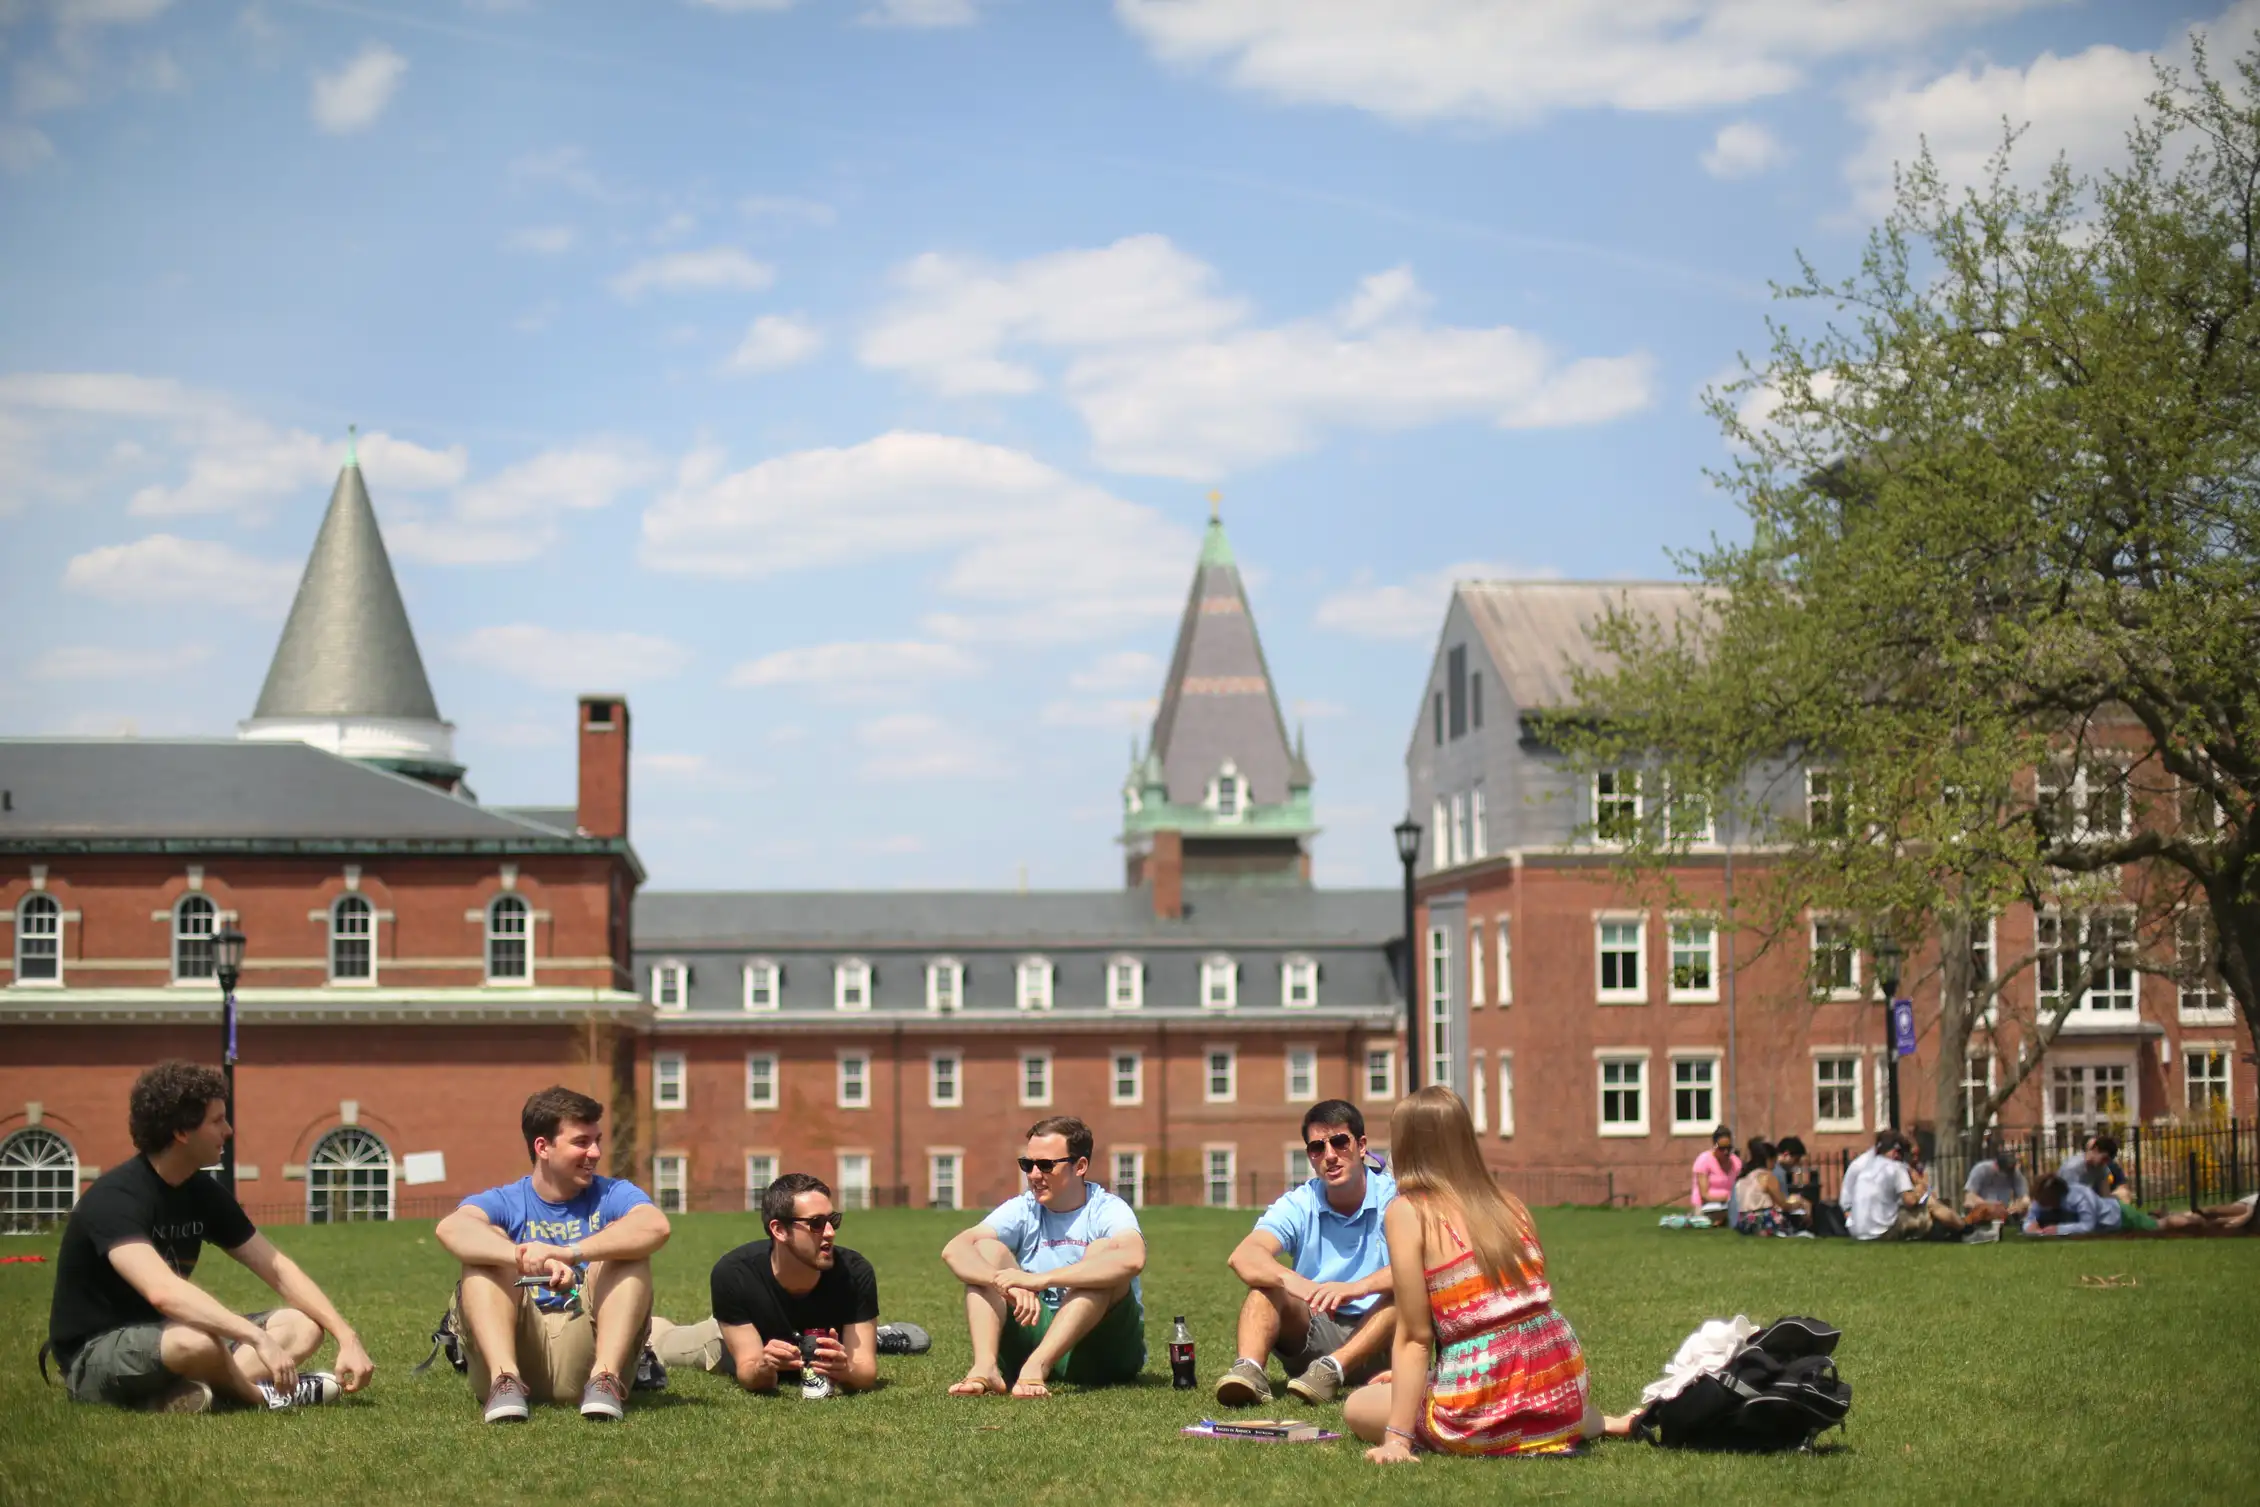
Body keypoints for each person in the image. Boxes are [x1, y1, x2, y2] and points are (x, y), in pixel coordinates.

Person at [43, 1060, 370, 1414]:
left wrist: (345, 1335)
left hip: (171, 1335)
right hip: (94, 1354)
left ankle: (190, 1396)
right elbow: (163, 1292)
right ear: (182, 1131)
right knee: (200, 1342)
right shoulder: (114, 1198)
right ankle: (260, 1397)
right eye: (217, 1121)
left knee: (303, 1326)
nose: (228, 1130)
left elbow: (276, 1267)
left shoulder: (201, 1192)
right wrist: (255, 1337)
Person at [1345, 1085, 1619, 1462]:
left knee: (1358, 1405)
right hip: (1559, 1383)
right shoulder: (1510, 1204)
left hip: (1481, 1399)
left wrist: (1397, 1440)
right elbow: (1513, 1313)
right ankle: (1593, 1422)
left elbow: (1415, 1337)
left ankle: (1501, 1427)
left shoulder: (1408, 1212)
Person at [434, 1085, 671, 1423]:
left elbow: (655, 1226)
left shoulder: (613, 1194)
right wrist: (519, 1255)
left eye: (597, 1140)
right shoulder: (506, 1200)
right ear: (542, 1147)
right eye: (581, 1142)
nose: (595, 1153)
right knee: (487, 1249)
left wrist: (569, 1253)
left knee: (625, 1247)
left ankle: (605, 1381)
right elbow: (451, 1229)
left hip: (587, 1349)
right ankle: (505, 1382)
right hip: (516, 1345)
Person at [940, 1115, 1146, 1398]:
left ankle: (1038, 1366)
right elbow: (955, 1249)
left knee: (1102, 1253)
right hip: (1036, 1330)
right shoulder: (1024, 1208)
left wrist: (1038, 1280)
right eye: (1028, 1164)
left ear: (1080, 1166)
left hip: (1103, 1353)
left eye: (1046, 1165)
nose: (1035, 1174)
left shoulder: (1107, 1208)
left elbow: (1132, 1259)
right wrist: (1003, 1281)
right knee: (986, 1251)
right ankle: (985, 1367)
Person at [1215, 1100, 1398, 1407]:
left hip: (1381, 1339)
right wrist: (1296, 1283)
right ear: (1310, 1157)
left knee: (1404, 1293)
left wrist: (1356, 1288)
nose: (1330, 1156)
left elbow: (1423, 1265)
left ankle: (1333, 1370)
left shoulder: (1393, 1198)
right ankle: (1248, 1372)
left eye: (1340, 1142)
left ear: (1362, 1145)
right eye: (1317, 1147)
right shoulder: (1301, 1202)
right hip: (1314, 1332)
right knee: (1265, 1286)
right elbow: (1244, 1256)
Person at [688, 1172, 880, 1394]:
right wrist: (763, 1366)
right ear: (779, 1230)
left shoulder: (855, 1272)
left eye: (832, 1220)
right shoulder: (734, 1274)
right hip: (735, 1337)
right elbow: (748, 1370)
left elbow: (865, 1372)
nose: (830, 1232)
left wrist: (846, 1370)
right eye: (816, 1223)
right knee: (667, 1344)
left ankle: (874, 1335)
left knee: (854, 1344)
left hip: (816, 1340)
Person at [1846, 1133, 1966, 1241]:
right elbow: (1910, 1201)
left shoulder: (1866, 1168)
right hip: (1880, 1233)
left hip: (1857, 1232)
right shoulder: (1895, 1167)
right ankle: (1964, 1228)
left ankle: (1958, 1226)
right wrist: (1919, 1188)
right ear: (1895, 1152)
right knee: (1930, 1203)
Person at [1730, 1138, 1799, 1236]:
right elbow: (1784, 1205)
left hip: (1743, 1221)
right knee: (1793, 1228)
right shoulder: (1767, 1176)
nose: (1774, 1166)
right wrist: (1797, 1204)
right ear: (1768, 1160)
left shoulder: (1743, 1178)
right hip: (1762, 1219)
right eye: (1774, 1162)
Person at [2024, 1172, 2125, 1237]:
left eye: (2044, 1202)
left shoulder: (2082, 1197)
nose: (2040, 1205)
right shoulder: (2041, 1198)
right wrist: (2030, 1227)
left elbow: (2088, 1226)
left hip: (2116, 1216)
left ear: (2054, 1196)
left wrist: (2058, 1229)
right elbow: (2029, 1219)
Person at [1962, 1144, 2030, 1224]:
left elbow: (2025, 1199)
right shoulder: (1981, 1170)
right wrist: (1990, 1207)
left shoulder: (2014, 1173)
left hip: (2003, 1215)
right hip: (1981, 1213)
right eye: (2005, 1170)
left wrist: (2019, 1205)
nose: (2008, 1173)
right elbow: (1969, 1197)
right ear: (1996, 1166)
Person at [1690, 1125, 1741, 1223]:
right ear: (1714, 1146)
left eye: (1728, 1148)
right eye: (1721, 1149)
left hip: (1728, 1205)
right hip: (1706, 1205)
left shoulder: (1736, 1162)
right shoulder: (1704, 1160)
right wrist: (1727, 1198)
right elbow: (1704, 1195)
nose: (1726, 1152)